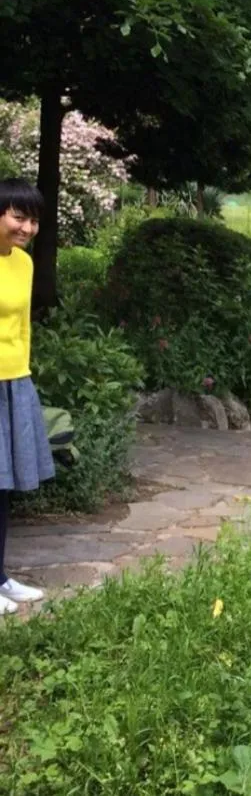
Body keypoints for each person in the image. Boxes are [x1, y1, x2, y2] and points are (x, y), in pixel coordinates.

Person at [0, 178, 54, 615]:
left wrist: (23, 374)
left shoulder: (23, 264)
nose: (27, 227)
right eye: (19, 216)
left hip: (14, 380)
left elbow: (22, 326)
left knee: (2, 488)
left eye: (33, 219)